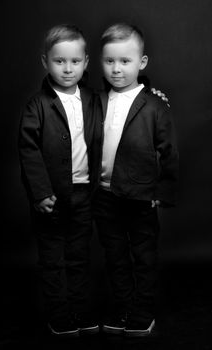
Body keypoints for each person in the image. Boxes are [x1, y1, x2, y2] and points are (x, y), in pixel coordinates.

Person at [93, 22, 179, 337]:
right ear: (99, 61)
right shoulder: (97, 100)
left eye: (125, 61)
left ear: (141, 63)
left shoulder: (155, 103)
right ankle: (124, 308)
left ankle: (142, 312)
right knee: (114, 257)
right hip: (105, 195)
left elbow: (168, 149)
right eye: (109, 61)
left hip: (142, 196)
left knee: (143, 257)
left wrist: (163, 189)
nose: (117, 69)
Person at [18, 24, 99, 338]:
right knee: (53, 258)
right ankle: (59, 314)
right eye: (59, 61)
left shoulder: (93, 100)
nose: (68, 68)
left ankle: (79, 309)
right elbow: (28, 150)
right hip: (51, 196)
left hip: (84, 194)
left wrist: (148, 92)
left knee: (79, 256)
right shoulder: (37, 105)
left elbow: (121, 106)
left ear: (86, 62)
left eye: (75, 61)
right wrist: (40, 193)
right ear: (45, 62)